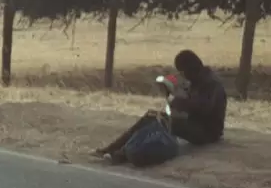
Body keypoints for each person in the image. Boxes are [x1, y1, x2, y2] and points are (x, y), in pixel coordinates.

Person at [96, 49, 227, 160]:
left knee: (157, 121)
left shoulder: (210, 83)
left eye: (183, 71)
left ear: (190, 68)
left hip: (208, 132)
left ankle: (124, 152)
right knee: (151, 116)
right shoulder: (199, 80)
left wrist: (179, 102)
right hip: (197, 125)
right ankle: (117, 148)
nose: (183, 75)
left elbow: (204, 108)